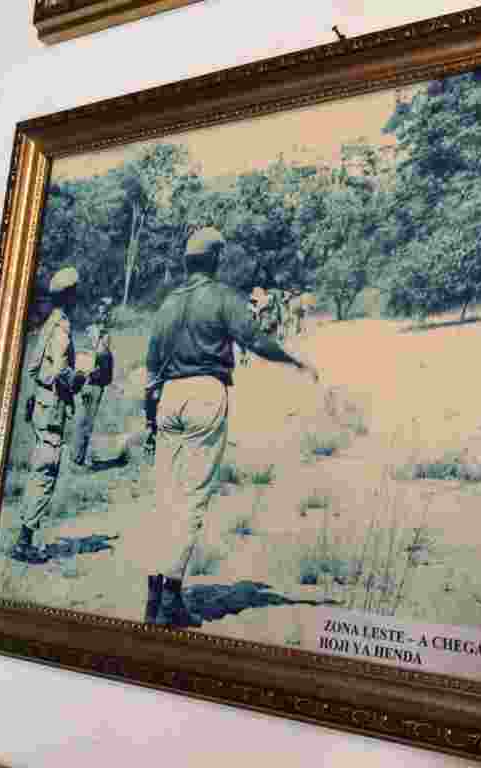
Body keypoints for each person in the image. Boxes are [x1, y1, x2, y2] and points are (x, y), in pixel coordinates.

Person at [142, 227, 320, 627]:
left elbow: (151, 370)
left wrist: (148, 420)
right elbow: (254, 339)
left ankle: (153, 595)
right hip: (206, 392)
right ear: (217, 259)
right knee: (191, 500)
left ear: (188, 261)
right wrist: (294, 360)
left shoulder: (168, 304)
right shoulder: (221, 297)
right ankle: (170, 602)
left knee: (166, 498)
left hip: (167, 397)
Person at [11, 266, 87, 563]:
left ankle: (25, 533)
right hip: (52, 407)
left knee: (40, 469)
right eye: (75, 293)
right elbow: (59, 375)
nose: (78, 298)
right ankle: (24, 540)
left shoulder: (49, 326)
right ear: (68, 296)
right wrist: (81, 376)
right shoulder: (61, 331)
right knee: (46, 470)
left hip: (44, 404)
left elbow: (33, 368)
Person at [72, 297, 115, 468]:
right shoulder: (94, 333)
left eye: (108, 312)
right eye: (103, 311)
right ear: (97, 313)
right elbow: (88, 357)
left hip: (98, 382)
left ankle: (79, 457)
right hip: (91, 383)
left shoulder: (103, 334)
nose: (106, 315)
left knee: (87, 421)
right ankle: (77, 460)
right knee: (84, 421)